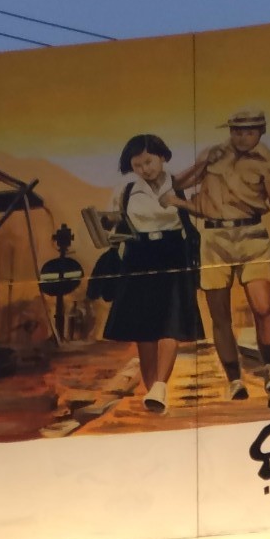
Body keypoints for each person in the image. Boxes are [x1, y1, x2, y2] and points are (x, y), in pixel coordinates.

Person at [176, 108, 270, 403]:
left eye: (249, 132)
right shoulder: (212, 156)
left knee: (262, 306)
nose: (242, 137)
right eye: (237, 131)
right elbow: (179, 185)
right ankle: (234, 379)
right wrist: (203, 163)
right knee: (220, 315)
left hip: (252, 237)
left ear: (261, 132)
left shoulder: (269, 165)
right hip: (214, 239)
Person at [100, 133, 205, 414]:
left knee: (172, 321)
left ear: (162, 157)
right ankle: (153, 392)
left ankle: (161, 385)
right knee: (144, 328)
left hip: (173, 251)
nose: (144, 169)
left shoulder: (180, 184)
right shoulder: (126, 189)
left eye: (148, 162)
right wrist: (108, 225)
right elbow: (114, 225)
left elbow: (200, 213)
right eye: (137, 165)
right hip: (138, 254)